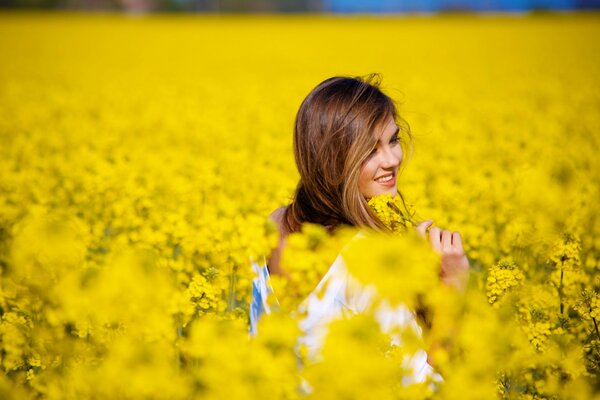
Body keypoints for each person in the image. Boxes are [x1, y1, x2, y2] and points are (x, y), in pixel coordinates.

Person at [249, 74, 470, 386]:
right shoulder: (366, 262)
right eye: (370, 149)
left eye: (393, 140)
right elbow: (427, 389)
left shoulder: (273, 224)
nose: (393, 159)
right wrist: (451, 284)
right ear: (333, 159)